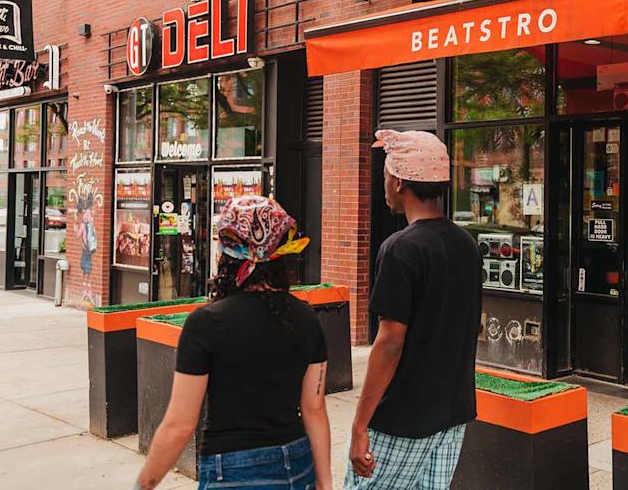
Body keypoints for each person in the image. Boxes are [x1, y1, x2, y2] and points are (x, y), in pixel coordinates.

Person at [136, 195, 332, 490]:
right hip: (297, 462)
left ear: (226, 253)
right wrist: (325, 482)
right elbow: (314, 408)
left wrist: (144, 485)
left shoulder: (206, 324)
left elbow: (179, 426)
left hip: (234, 469)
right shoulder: (306, 317)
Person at [345, 130, 482, 490]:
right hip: (453, 413)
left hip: (401, 418)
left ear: (399, 181)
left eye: (386, 174)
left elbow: (389, 342)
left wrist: (360, 426)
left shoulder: (400, 249)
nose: (384, 183)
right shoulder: (466, 244)